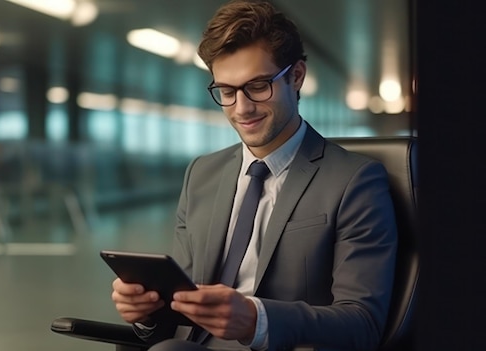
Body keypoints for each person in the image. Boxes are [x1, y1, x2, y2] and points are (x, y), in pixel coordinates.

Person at [110, 0, 398, 350]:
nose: (242, 108)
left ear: (296, 76)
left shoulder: (354, 181)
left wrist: (255, 319)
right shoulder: (202, 174)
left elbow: (362, 324)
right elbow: (180, 309)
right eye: (227, 92)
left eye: (259, 86)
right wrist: (147, 313)